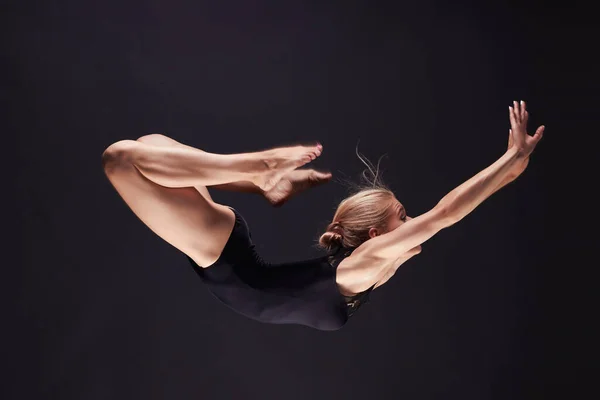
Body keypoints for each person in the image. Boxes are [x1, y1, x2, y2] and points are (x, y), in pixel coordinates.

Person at [102, 100, 544, 331]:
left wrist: (513, 167)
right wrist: (508, 163)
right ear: (375, 235)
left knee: (142, 149)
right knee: (126, 156)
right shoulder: (361, 266)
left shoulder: (363, 265)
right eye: (403, 217)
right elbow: (446, 214)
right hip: (223, 261)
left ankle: (255, 176)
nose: (411, 225)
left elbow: (449, 213)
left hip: (225, 258)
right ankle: (255, 169)